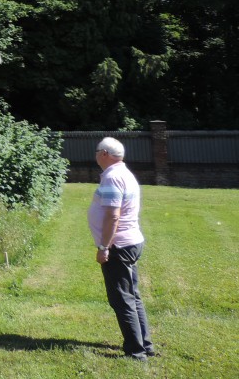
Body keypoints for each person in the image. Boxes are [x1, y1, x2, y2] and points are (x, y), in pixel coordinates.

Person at [88, 137, 155, 361]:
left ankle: (137, 352)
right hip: (130, 242)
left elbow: (112, 215)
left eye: (97, 152)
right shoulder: (123, 173)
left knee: (122, 299)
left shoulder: (113, 177)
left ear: (104, 153)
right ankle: (145, 344)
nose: (95, 156)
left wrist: (103, 246)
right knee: (132, 296)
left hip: (119, 245)